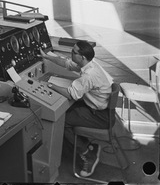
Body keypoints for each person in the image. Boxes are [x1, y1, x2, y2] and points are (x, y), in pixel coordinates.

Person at [44, 41, 112, 178]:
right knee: (65, 113)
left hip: (99, 116)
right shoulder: (89, 64)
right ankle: (88, 146)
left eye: (73, 52)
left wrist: (49, 85)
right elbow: (67, 63)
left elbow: (71, 94)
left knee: (62, 122)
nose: (71, 54)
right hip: (97, 108)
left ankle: (87, 154)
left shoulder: (89, 75)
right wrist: (46, 56)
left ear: (82, 57)